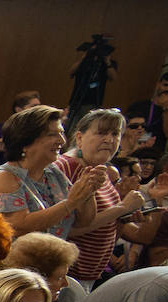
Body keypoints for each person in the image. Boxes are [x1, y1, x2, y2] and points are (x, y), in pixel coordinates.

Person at [0, 105, 105, 240]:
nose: (62, 140)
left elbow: (83, 221)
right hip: (14, 259)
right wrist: (71, 202)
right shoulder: (4, 176)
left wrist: (87, 191)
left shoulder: (53, 172)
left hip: (50, 258)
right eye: (52, 135)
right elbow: (19, 226)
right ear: (25, 141)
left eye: (61, 133)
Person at [54, 110, 152, 284]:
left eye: (115, 134)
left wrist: (123, 217)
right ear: (79, 137)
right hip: (65, 274)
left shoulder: (100, 168)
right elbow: (64, 228)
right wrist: (122, 208)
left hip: (89, 275)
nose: (109, 139)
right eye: (101, 133)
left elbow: (106, 225)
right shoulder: (67, 167)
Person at [125, 70, 168, 159]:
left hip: (156, 152)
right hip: (134, 148)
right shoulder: (139, 105)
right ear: (158, 84)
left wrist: (166, 109)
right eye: (165, 85)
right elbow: (126, 128)